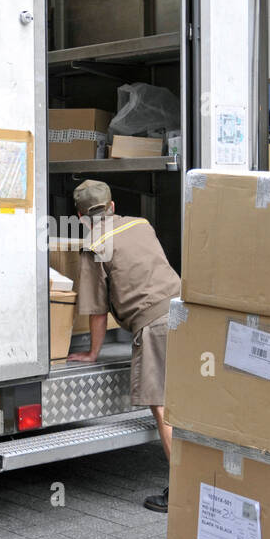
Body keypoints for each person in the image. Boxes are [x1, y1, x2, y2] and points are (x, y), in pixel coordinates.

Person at [66, 179, 181, 512]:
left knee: (163, 407)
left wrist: (92, 353)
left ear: (81, 216)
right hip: (185, 312)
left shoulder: (94, 244)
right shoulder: (142, 224)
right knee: (186, 403)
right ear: (112, 205)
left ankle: (183, 494)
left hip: (154, 324)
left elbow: (98, 312)